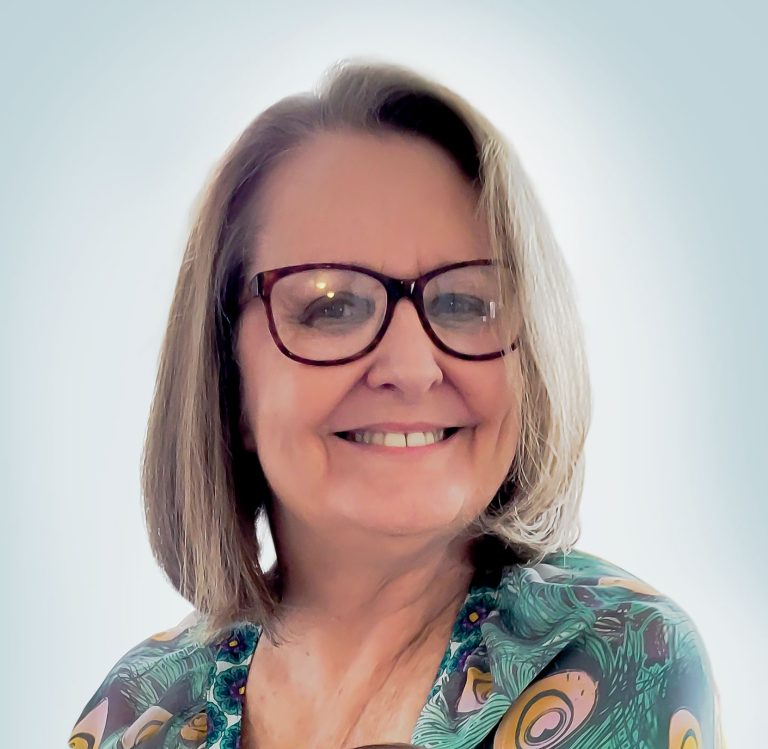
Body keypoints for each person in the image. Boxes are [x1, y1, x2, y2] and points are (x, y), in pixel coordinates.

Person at [68, 59, 726, 749]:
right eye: (331, 306)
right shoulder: (135, 709)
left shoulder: (623, 655)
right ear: (226, 378)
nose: (413, 368)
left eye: (467, 301)